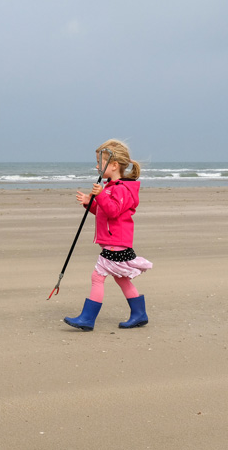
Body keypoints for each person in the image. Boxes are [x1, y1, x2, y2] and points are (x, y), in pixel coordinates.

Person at [64, 139, 152, 331]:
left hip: (116, 242)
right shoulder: (111, 187)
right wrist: (90, 202)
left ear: (113, 165)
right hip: (115, 241)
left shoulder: (122, 189)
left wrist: (101, 194)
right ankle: (139, 314)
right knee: (121, 278)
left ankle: (88, 318)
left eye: (100, 163)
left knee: (97, 276)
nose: (97, 166)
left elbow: (113, 211)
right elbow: (105, 212)